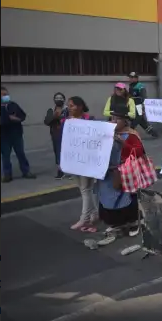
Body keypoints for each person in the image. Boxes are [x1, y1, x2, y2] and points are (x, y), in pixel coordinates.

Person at [97, 105, 146, 232]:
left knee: (127, 197)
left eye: (117, 119)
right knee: (108, 197)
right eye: (111, 118)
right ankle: (116, 222)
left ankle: (134, 222)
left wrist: (123, 143)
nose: (113, 121)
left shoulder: (131, 134)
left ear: (125, 121)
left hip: (125, 172)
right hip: (109, 172)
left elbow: (139, 151)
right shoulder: (107, 133)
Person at [63, 96, 99, 231]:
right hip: (73, 160)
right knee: (83, 188)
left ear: (80, 106)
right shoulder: (67, 121)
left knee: (85, 189)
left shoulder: (89, 120)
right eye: (68, 105)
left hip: (86, 160)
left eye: (71, 105)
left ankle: (84, 219)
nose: (69, 108)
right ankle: (94, 214)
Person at [1, 86, 35, 183]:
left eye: (6, 94)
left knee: (20, 153)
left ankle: (26, 171)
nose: (4, 96)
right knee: (5, 155)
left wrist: (17, 119)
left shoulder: (13, 105)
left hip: (16, 134)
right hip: (4, 136)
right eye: (2, 95)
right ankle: (7, 174)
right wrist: (9, 118)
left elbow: (22, 116)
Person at [128, 72, 158, 137]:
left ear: (136, 78)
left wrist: (143, 107)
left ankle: (130, 131)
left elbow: (144, 97)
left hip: (139, 106)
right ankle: (153, 133)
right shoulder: (130, 86)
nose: (131, 79)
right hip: (133, 106)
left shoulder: (140, 86)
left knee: (137, 119)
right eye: (130, 77)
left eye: (132, 77)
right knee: (141, 121)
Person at [44, 92, 67, 179]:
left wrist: (61, 117)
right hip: (56, 134)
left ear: (64, 100)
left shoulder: (67, 109)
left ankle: (70, 170)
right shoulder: (51, 110)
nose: (59, 100)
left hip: (66, 134)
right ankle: (60, 170)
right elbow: (46, 121)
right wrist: (54, 116)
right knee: (58, 152)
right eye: (57, 98)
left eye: (60, 98)